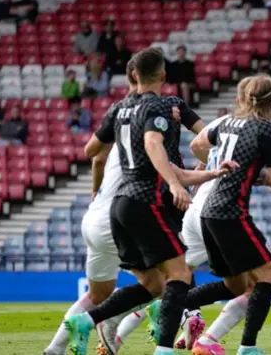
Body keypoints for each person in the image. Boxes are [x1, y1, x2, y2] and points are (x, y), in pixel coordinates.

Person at [62, 48, 226, 355]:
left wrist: (203, 173)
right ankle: (171, 336)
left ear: (133, 75)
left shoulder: (120, 108)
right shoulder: (164, 106)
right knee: (178, 275)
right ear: (163, 75)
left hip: (120, 203)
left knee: (156, 282)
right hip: (149, 199)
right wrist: (176, 181)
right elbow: (172, 141)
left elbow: (91, 151)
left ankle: (92, 322)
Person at [187, 74, 271, 355]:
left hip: (208, 210)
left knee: (236, 285)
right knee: (269, 277)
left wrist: (212, 165)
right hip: (230, 213)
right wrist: (257, 175)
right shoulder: (266, 129)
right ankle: (247, 347)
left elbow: (196, 145)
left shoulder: (225, 122)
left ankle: (175, 308)